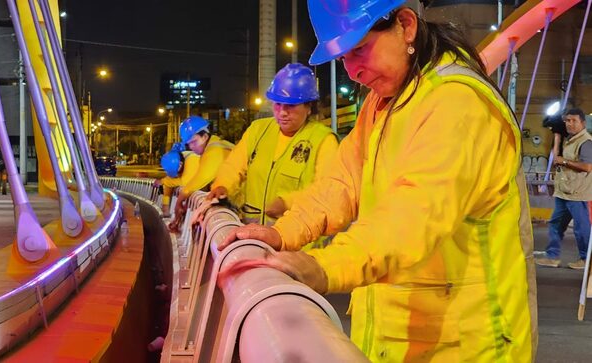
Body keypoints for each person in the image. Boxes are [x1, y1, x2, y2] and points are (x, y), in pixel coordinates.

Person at [218, 0, 536, 361]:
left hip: (466, 344)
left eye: (359, 50)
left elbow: (413, 216)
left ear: (406, 25)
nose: (353, 72)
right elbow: (342, 183)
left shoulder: (458, 104)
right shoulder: (384, 102)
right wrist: (282, 234)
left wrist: (324, 265)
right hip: (395, 338)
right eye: (342, 60)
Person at [207, 63, 338, 226]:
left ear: (309, 106)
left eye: (290, 105)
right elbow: (234, 166)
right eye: (277, 104)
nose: (282, 112)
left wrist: (287, 203)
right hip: (254, 239)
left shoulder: (323, 140)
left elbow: (326, 191)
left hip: (298, 243)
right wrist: (222, 186)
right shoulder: (258, 130)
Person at [535, 108, 592, 270]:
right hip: (564, 192)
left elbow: (587, 167)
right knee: (555, 225)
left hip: (578, 194)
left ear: (582, 122)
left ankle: (586, 259)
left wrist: (565, 162)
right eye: (567, 121)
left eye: (573, 121)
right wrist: (557, 136)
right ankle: (552, 257)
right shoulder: (569, 140)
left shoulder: (586, 142)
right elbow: (556, 160)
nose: (570, 124)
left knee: (582, 229)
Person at [170, 116, 234, 229]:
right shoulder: (214, 147)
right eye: (188, 144)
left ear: (205, 136)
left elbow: (198, 181)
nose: (191, 147)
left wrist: (178, 202)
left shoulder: (214, 151)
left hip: (245, 206)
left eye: (194, 142)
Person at [159, 143, 200, 217]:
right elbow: (168, 185)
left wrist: (164, 181)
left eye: (178, 173)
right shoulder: (173, 163)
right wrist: (165, 209)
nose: (177, 176)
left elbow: (186, 182)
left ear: (181, 164)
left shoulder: (193, 159)